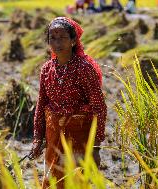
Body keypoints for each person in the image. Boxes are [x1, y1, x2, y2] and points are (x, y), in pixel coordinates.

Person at [30, 17, 107, 189]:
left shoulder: (84, 68)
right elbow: (42, 103)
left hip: (78, 137)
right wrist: (37, 138)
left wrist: (95, 147)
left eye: (62, 37)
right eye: (53, 38)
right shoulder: (46, 69)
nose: (57, 43)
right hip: (53, 135)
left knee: (75, 180)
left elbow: (99, 107)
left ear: (73, 40)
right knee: (52, 179)